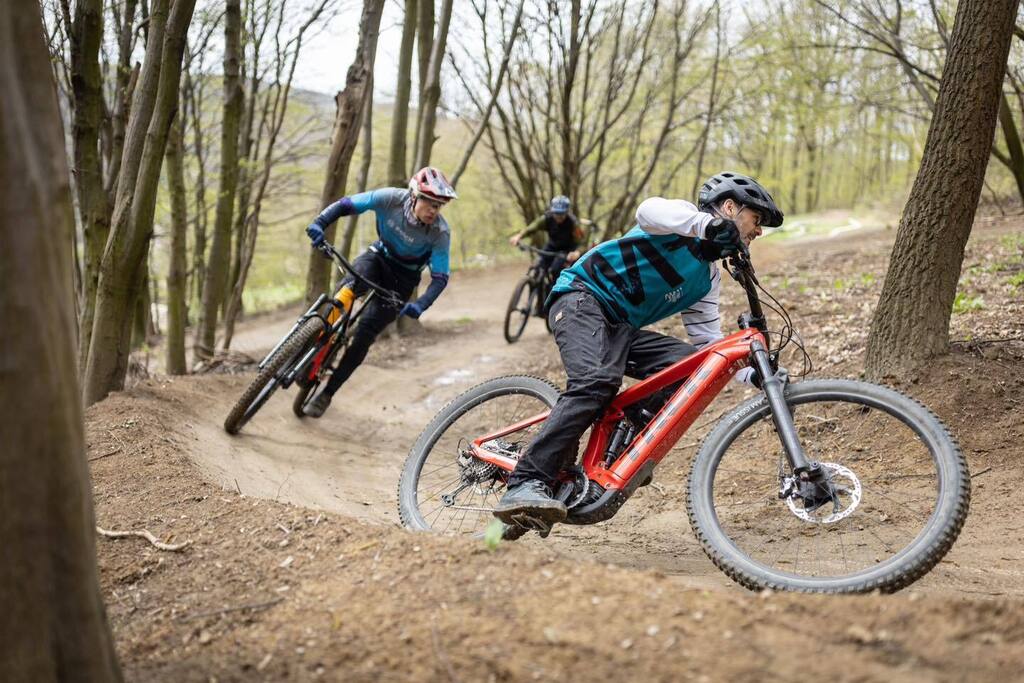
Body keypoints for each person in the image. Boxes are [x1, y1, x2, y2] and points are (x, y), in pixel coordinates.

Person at [493, 171, 784, 528]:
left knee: (695, 370)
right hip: (581, 298)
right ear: (728, 207)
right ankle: (525, 481)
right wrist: (706, 226)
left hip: (620, 327)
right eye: (756, 221)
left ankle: (619, 450)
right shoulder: (678, 220)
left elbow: (709, 341)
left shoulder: (707, 279)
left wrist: (753, 374)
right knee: (597, 382)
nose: (758, 232)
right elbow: (648, 210)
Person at [302, 167, 457, 418]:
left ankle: (327, 394)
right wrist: (320, 223)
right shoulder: (389, 198)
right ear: (415, 195)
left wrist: (421, 305)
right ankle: (317, 345)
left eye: (439, 206)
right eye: (430, 203)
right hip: (378, 257)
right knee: (346, 293)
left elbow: (440, 277)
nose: (434, 210)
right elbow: (346, 204)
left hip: (403, 280)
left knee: (364, 335)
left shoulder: (440, 232)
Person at [509, 195, 591, 295]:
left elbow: (582, 243)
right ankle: (535, 292)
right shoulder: (547, 219)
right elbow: (532, 228)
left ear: (566, 212)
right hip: (551, 247)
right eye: (556, 214)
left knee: (555, 270)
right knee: (537, 265)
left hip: (565, 250)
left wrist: (576, 253)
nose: (558, 217)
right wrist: (519, 236)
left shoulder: (573, 223)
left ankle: (554, 295)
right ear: (552, 211)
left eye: (562, 214)